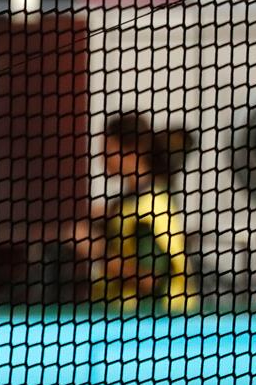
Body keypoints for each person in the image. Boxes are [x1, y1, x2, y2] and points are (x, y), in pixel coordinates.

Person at [74, 112, 199, 315]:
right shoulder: (131, 201)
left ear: (132, 150)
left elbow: (152, 280)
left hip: (157, 327)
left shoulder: (149, 208)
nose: (101, 157)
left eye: (108, 150)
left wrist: (98, 252)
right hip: (128, 323)